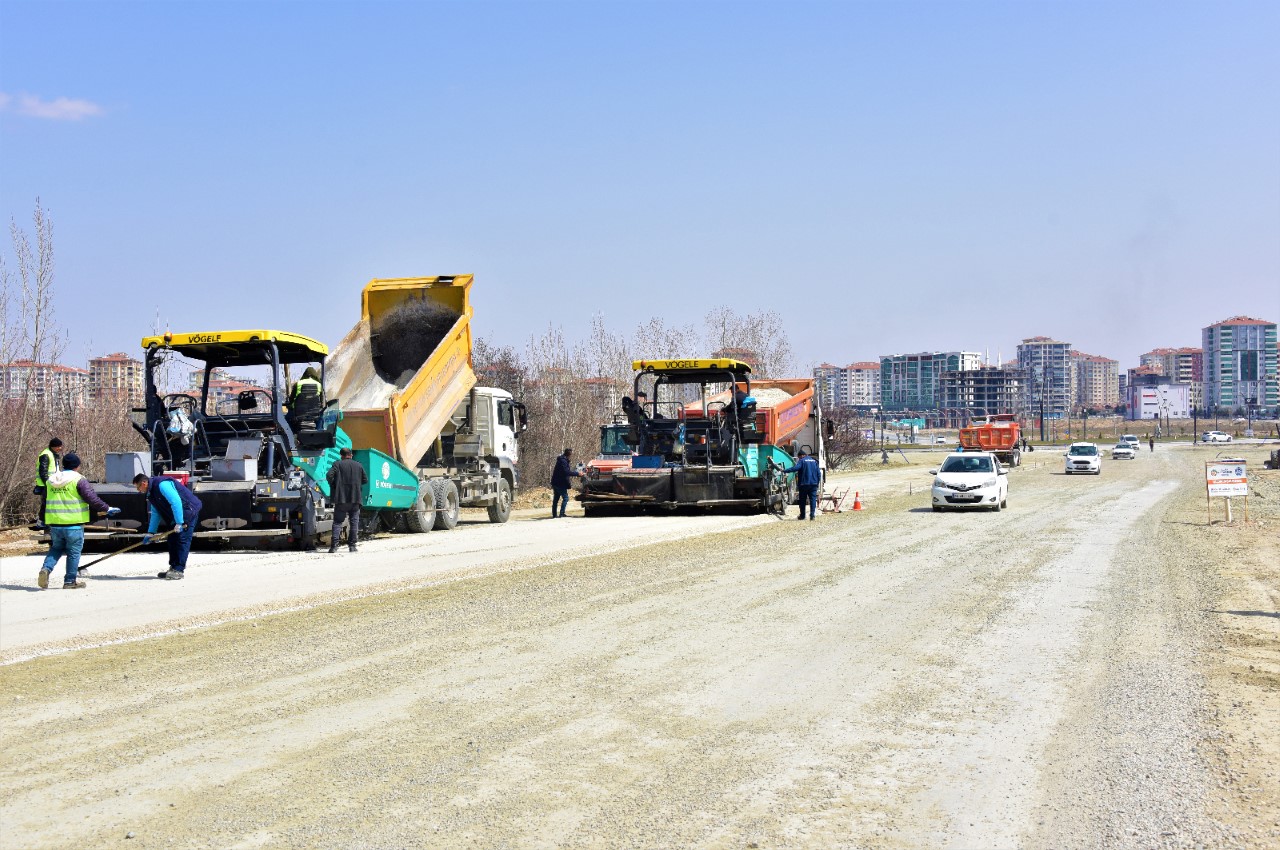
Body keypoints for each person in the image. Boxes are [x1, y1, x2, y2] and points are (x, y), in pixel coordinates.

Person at [37, 453, 119, 589]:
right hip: (73, 524)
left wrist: (41, 519)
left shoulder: (51, 480)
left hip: (55, 523)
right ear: (77, 466)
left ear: (64, 465)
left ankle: (46, 569)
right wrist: (107, 508)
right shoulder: (78, 479)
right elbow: (91, 498)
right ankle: (70, 581)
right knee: (73, 552)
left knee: (56, 548)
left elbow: (44, 502)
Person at [133, 472, 203, 580]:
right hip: (175, 515)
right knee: (172, 539)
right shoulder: (151, 493)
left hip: (188, 511)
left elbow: (176, 501)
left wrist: (179, 522)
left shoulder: (162, 484)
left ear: (144, 483)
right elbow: (156, 513)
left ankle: (178, 570)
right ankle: (173, 568)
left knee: (182, 539)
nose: (138, 490)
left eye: (138, 487)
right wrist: (151, 532)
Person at [326, 447, 368, 553]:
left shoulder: (337, 464)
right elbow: (365, 480)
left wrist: (334, 485)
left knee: (337, 522)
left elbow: (329, 475)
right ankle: (352, 546)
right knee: (354, 522)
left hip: (341, 499)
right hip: (355, 498)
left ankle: (334, 547)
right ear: (351, 455)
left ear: (341, 455)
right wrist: (356, 484)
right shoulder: (358, 465)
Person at [32, 438, 64, 530]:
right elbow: (43, 472)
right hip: (46, 484)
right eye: (58, 446)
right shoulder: (46, 455)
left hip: (51, 483)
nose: (60, 448)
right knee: (46, 504)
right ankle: (41, 522)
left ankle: (47, 522)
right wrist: (48, 483)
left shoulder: (52, 454)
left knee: (49, 504)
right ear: (53, 446)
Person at [782, 448, 823, 521]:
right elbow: (819, 474)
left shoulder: (802, 461)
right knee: (813, 500)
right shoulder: (814, 461)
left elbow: (795, 468)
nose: (799, 459)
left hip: (804, 484)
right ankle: (812, 515)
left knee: (802, 500)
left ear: (801, 456)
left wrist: (785, 470)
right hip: (813, 484)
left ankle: (803, 516)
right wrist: (817, 482)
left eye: (799, 457)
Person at [550, 448, 580, 518]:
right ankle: (562, 513)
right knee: (565, 498)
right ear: (569, 454)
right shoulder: (563, 461)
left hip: (555, 482)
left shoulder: (561, 460)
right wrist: (577, 474)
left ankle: (554, 515)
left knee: (556, 499)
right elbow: (566, 472)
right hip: (560, 483)